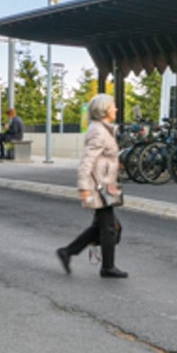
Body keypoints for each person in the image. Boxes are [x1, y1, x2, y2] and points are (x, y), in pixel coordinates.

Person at [57, 94, 127, 279]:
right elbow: (86, 162)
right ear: (104, 110)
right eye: (113, 106)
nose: (116, 109)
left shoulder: (104, 129)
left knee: (104, 227)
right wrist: (84, 188)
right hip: (99, 186)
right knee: (109, 227)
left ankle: (68, 251)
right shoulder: (99, 132)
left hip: (106, 184)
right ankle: (107, 267)